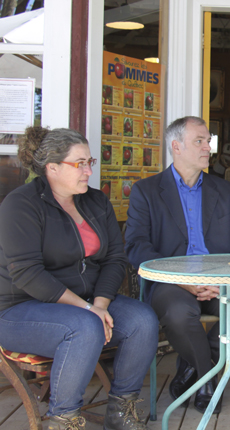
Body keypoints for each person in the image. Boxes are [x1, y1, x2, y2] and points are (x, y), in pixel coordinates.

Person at [0, 127, 158, 430]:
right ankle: (64, 419)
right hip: (19, 308)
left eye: (90, 162)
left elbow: (114, 259)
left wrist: (100, 303)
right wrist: (88, 310)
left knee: (142, 319)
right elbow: (27, 274)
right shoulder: (21, 205)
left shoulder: (95, 201)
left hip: (86, 302)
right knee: (85, 327)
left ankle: (121, 409)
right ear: (52, 168)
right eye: (79, 164)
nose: (88, 171)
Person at [125, 116, 230, 413]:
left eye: (208, 141)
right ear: (176, 146)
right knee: (179, 312)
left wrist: (224, 278)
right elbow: (136, 246)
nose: (208, 148)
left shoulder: (224, 191)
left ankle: (192, 371)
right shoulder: (146, 191)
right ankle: (207, 382)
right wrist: (180, 279)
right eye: (199, 141)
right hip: (171, 283)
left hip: (220, 280)